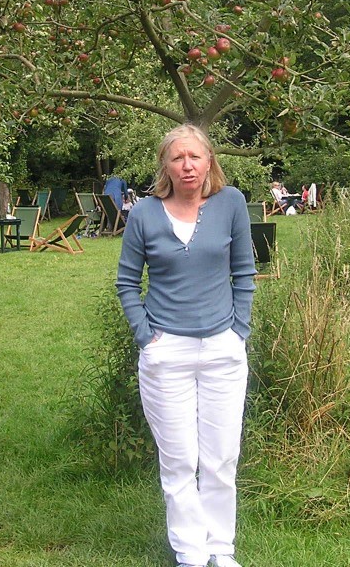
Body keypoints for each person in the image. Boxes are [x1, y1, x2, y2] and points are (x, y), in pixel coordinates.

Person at [116, 124, 256, 567]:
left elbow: (244, 272)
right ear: (166, 166)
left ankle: (221, 550)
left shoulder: (230, 204)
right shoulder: (144, 214)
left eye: (195, 156)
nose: (187, 165)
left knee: (221, 458)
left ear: (209, 160)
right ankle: (190, 553)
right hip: (165, 354)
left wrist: (239, 331)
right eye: (178, 158)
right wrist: (146, 337)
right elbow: (126, 283)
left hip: (222, 350)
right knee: (179, 461)